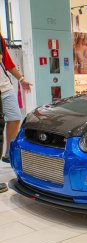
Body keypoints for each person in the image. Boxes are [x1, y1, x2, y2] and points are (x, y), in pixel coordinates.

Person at [0, 34, 31, 165]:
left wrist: (21, 79)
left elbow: (7, 62)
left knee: (15, 116)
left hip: (5, 86)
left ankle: (8, 153)